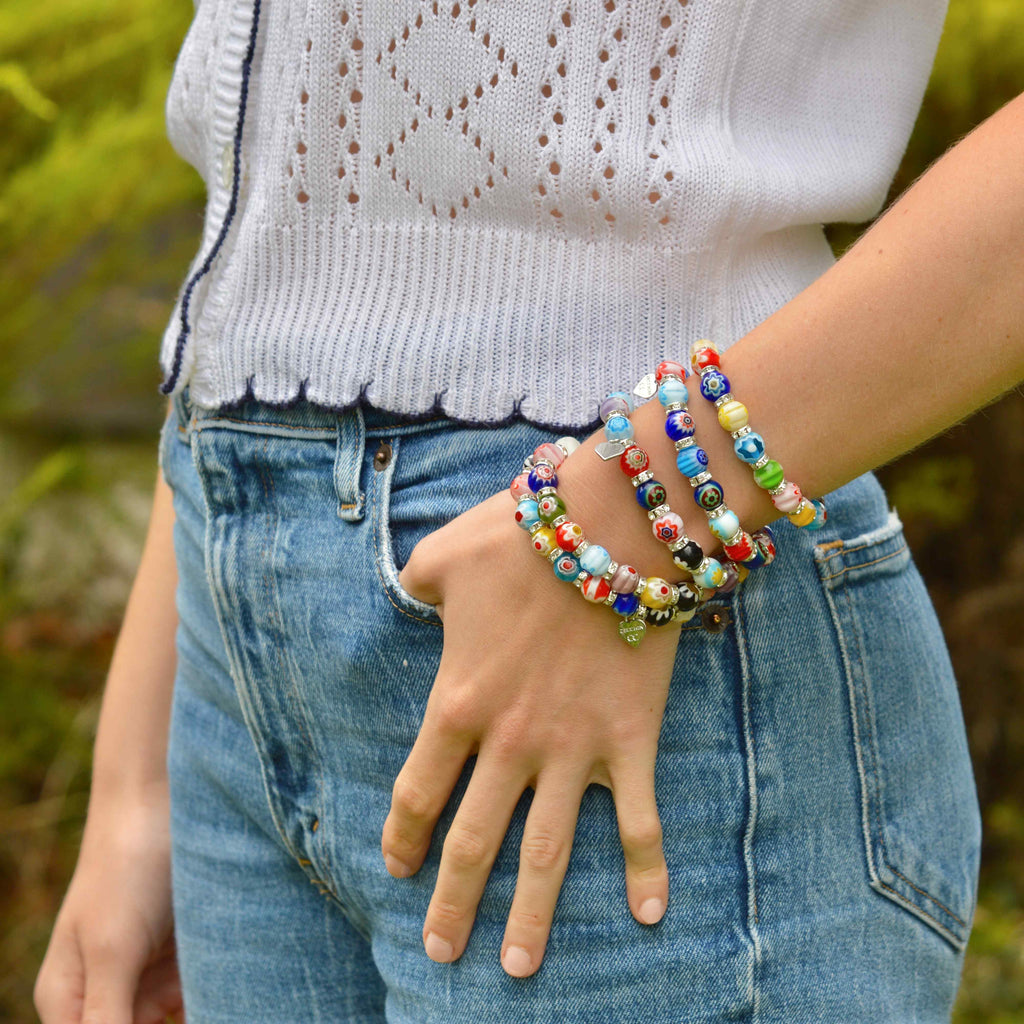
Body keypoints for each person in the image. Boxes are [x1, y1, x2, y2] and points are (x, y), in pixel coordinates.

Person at [34, 1, 1024, 1021]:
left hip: (637, 639)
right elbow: (272, 244)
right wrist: (138, 780)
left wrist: (630, 515)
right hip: (230, 684)